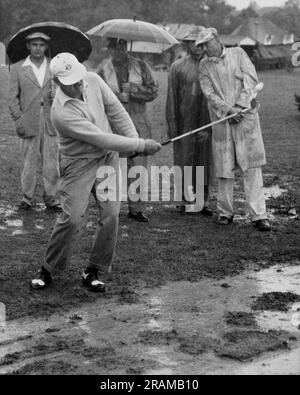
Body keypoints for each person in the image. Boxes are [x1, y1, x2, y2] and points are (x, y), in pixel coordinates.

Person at [31, 53, 161, 292]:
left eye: (79, 79)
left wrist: (133, 141)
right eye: (71, 83)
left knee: (111, 213)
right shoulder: (60, 113)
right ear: (58, 82)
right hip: (78, 163)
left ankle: (93, 269)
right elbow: (99, 138)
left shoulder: (92, 79)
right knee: (72, 218)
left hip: (107, 158)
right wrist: (141, 146)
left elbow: (117, 112)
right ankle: (48, 268)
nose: (79, 85)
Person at [196, 28, 271, 232]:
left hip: (246, 119)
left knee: (252, 167)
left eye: (206, 44)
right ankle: (225, 212)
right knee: (224, 168)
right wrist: (228, 110)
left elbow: (252, 81)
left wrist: (239, 106)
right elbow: (209, 94)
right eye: (200, 46)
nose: (203, 49)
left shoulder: (238, 54)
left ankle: (259, 215)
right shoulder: (203, 66)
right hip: (222, 121)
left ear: (217, 40)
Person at [98, 38, 158, 223]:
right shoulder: (102, 70)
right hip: (112, 125)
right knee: (109, 165)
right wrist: (115, 97)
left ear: (126, 47)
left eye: (122, 46)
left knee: (138, 166)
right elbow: (95, 95)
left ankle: (137, 209)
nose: (119, 50)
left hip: (138, 122)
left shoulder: (141, 66)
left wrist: (133, 92)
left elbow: (154, 90)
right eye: (114, 47)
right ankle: (107, 206)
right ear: (109, 49)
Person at [9, 32, 61, 211]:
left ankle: (52, 199)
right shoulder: (17, 67)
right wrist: (19, 119)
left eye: (42, 45)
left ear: (47, 46)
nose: (38, 48)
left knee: (51, 162)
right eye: (34, 44)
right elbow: (12, 98)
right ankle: (27, 198)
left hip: (50, 120)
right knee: (29, 161)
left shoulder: (54, 66)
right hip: (28, 120)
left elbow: (66, 91)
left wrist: (58, 94)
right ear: (28, 46)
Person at [166, 26, 213, 215]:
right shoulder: (177, 67)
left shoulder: (211, 65)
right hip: (184, 121)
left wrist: (210, 128)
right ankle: (185, 199)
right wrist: (173, 125)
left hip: (207, 121)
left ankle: (203, 200)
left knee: (204, 161)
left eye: (202, 43)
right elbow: (172, 99)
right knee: (184, 159)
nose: (198, 46)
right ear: (187, 44)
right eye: (194, 42)